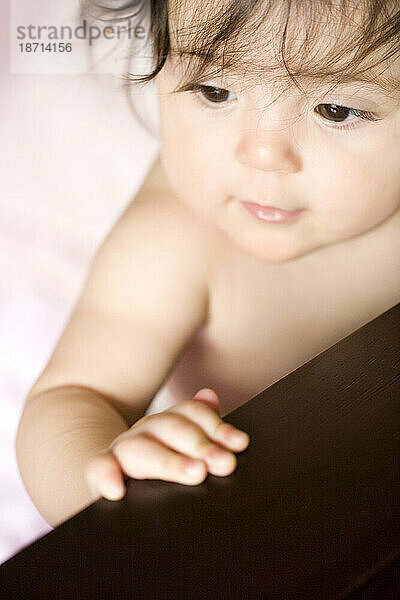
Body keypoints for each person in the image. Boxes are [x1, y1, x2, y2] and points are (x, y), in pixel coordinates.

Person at [16, 0, 400, 527]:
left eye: (335, 110)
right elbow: (69, 399)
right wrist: (106, 488)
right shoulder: (174, 241)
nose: (262, 153)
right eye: (215, 90)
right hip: (257, 512)